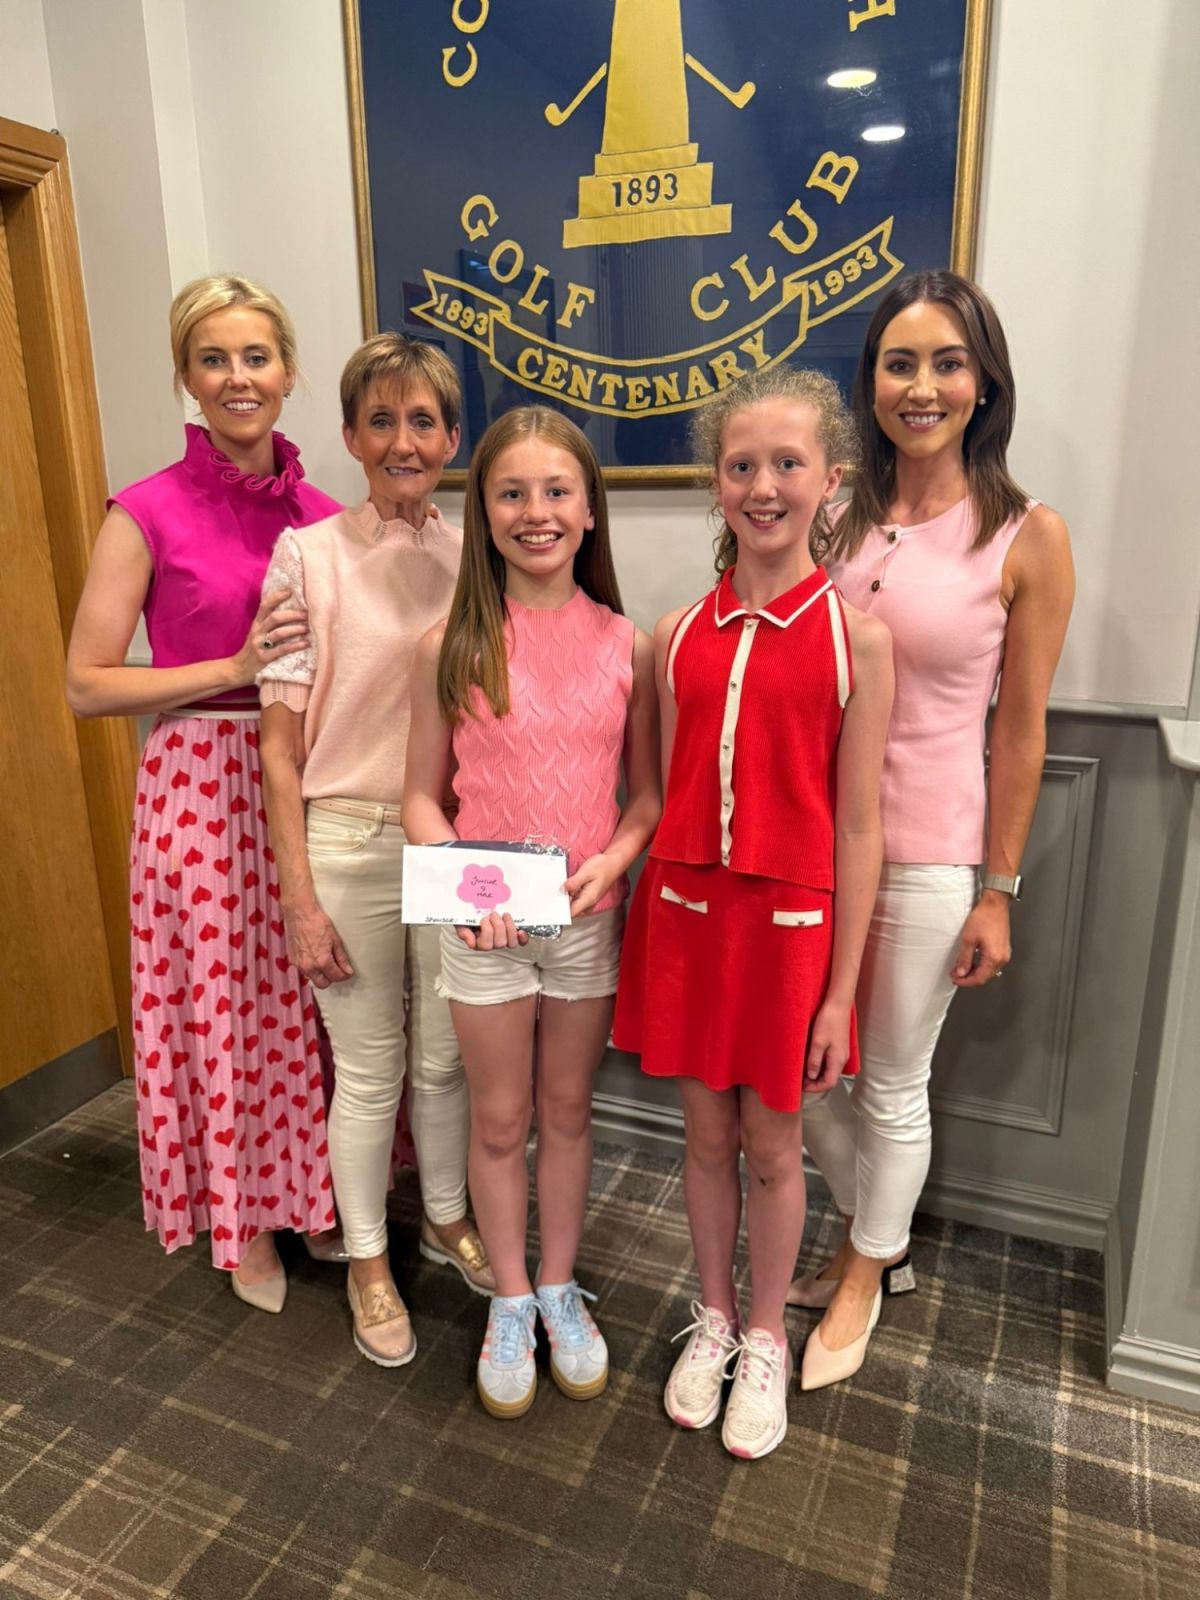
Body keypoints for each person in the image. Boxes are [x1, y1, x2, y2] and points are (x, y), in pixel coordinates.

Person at [792, 271, 1075, 1387]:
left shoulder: (1027, 536)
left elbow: (1023, 730)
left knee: (891, 1081)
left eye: (947, 363)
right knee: (804, 1075)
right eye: (899, 363)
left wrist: (998, 890)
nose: (923, 387)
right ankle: (878, 1233)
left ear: (983, 382)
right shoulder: (833, 517)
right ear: (870, 382)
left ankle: (865, 1269)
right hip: (812, 850)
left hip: (928, 855)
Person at [612, 367, 893, 1460]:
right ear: (714, 482)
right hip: (688, 920)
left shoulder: (858, 640)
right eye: (741, 466)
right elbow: (657, 797)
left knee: (775, 1145)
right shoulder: (674, 634)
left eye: (787, 464)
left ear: (832, 479)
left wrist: (840, 992)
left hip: (791, 938)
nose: (763, 486)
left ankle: (768, 1331)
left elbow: (857, 827)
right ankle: (717, 1315)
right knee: (705, 1137)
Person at [66, 274, 343, 1308]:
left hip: (307, 774)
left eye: (256, 357)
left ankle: (314, 1193)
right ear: (187, 375)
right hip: (199, 782)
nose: (238, 377)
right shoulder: (145, 510)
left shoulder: (326, 515)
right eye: (214, 359)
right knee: (226, 1008)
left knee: (315, 1000)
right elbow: (86, 683)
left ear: (288, 371)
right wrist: (226, 664)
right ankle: (244, 1220)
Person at [403, 407, 660, 1418]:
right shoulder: (451, 643)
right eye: (511, 492)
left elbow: (644, 798)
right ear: (484, 512)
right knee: (501, 1118)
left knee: (567, 1111)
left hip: (586, 921)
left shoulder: (628, 645)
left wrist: (616, 861)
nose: (535, 511)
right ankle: (510, 1296)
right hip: (484, 932)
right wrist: (463, 887)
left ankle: (559, 1285)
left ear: (590, 510)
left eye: (557, 491)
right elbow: (422, 797)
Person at [259, 333, 495, 1369]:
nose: (405, 442)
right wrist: (299, 897)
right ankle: (366, 1259)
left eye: (425, 421)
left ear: (453, 437)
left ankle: (443, 1215)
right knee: (368, 1066)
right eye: (383, 421)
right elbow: (278, 749)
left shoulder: (476, 554)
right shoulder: (305, 557)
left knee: (446, 1057)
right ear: (352, 436)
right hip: (348, 836)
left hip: (452, 834)